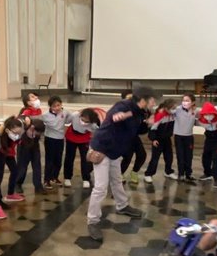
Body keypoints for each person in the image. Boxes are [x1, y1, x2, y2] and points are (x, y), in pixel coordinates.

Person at [86, 87, 156, 242]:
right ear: (143, 100)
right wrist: (121, 116)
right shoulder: (124, 105)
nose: (154, 103)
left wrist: (148, 124)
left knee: (117, 180)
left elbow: (137, 129)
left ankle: (122, 205)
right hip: (102, 148)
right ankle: (92, 221)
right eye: (152, 100)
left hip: (115, 150)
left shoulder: (141, 111)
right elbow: (114, 117)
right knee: (100, 188)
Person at [64, 108, 100, 188]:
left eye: (87, 122)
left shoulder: (93, 124)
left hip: (84, 139)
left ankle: (86, 179)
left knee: (85, 159)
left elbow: (96, 132)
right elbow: (67, 122)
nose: (84, 122)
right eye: (83, 120)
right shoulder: (74, 115)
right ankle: (67, 177)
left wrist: (93, 139)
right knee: (69, 157)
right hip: (72, 137)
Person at [144, 99, 178, 184]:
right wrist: (153, 139)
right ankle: (148, 174)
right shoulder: (160, 115)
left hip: (167, 139)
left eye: (175, 108)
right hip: (158, 140)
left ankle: (168, 171)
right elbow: (152, 129)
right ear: (166, 108)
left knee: (169, 157)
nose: (174, 110)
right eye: (173, 108)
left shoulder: (173, 115)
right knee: (155, 159)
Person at [17, 92, 44, 194]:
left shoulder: (39, 111)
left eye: (36, 96)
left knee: (37, 164)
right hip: (24, 143)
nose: (36, 98)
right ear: (28, 102)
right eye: (33, 97)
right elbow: (20, 120)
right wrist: (25, 118)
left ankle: (38, 186)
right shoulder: (25, 111)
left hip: (35, 141)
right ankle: (17, 184)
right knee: (22, 165)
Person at [120, 92, 149, 185]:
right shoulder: (120, 110)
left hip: (134, 136)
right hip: (123, 137)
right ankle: (120, 174)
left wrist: (146, 124)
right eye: (128, 99)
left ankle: (134, 172)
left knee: (142, 155)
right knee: (128, 156)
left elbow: (141, 129)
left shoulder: (140, 111)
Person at [0, 117, 25, 208]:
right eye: (15, 131)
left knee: (15, 171)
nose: (17, 134)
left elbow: (17, 138)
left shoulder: (16, 133)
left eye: (19, 131)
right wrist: (3, 126)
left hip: (9, 154)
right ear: (8, 129)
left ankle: (10, 194)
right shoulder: (3, 134)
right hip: (1, 154)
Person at [17, 119, 47, 197]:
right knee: (22, 167)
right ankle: (18, 183)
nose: (39, 134)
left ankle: (38, 186)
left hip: (35, 148)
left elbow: (42, 139)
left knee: (37, 166)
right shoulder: (24, 129)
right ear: (32, 127)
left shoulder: (38, 131)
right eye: (38, 132)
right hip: (23, 148)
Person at [172, 93, 199, 183]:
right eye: (183, 100)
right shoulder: (177, 109)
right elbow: (168, 111)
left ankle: (188, 174)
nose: (185, 102)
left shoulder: (195, 111)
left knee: (189, 156)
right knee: (180, 156)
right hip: (179, 136)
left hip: (189, 136)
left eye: (187, 100)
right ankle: (181, 174)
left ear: (193, 102)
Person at [42, 96, 67, 189]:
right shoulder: (45, 115)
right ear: (50, 107)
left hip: (60, 139)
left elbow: (70, 119)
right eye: (54, 106)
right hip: (50, 139)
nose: (57, 108)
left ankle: (54, 177)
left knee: (58, 159)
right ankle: (47, 180)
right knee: (50, 160)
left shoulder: (65, 112)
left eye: (58, 105)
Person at [197, 102, 217, 188]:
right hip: (208, 139)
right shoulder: (201, 119)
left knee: (216, 160)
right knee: (205, 157)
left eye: (210, 114)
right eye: (206, 114)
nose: (208, 116)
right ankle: (207, 173)